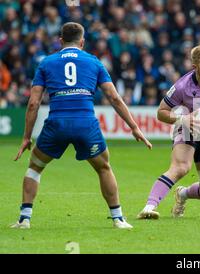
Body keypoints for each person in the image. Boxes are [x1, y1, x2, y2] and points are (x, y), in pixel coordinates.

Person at [11, 22, 152, 229]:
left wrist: (26, 137)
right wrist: (133, 126)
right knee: (104, 168)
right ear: (82, 42)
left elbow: (33, 103)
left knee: (35, 168)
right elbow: (113, 97)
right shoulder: (94, 62)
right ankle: (118, 218)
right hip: (86, 124)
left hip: (56, 124)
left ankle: (24, 219)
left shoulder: (47, 62)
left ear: (60, 41)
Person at [137, 45, 200, 219]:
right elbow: (161, 112)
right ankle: (149, 207)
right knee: (181, 168)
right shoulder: (182, 86)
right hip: (186, 128)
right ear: (195, 67)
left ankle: (182, 194)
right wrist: (183, 119)